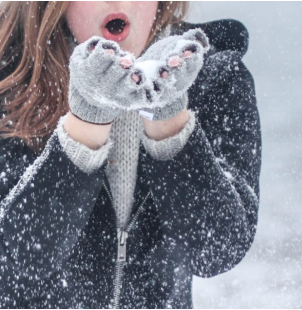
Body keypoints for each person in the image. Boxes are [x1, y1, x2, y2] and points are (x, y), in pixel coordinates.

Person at [0, 2, 261, 308]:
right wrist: (86, 124)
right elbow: (12, 265)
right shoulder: (10, 82)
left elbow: (217, 251)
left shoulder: (215, 78)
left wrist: (168, 119)